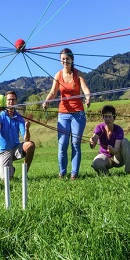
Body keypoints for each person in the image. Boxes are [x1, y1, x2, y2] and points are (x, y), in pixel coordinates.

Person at [42, 48, 91, 179]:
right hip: (63, 114)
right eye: (62, 59)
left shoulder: (78, 74)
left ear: (72, 60)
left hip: (78, 114)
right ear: (60, 60)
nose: (65, 61)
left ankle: (74, 173)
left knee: (75, 143)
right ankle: (62, 172)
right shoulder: (58, 75)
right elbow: (53, 92)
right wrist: (47, 102)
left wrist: (88, 98)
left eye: (67, 59)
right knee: (62, 144)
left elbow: (85, 89)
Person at [0, 91, 35, 180]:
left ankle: (24, 174)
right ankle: (11, 169)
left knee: (30, 145)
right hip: (4, 151)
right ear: (5, 101)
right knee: (7, 180)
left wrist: (27, 128)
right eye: (9, 100)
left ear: (16, 102)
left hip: (16, 149)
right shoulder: (0, 117)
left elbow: (26, 139)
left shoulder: (19, 117)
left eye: (13, 100)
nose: (11, 102)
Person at [89, 105, 130, 175]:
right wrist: (92, 142)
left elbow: (116, 150)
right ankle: (106, 174)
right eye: (105, 117)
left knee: (125, 141)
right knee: (96, 163)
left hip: (117, 158)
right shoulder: (99, 128)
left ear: (114, 117)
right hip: (105, 157)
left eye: (110, 116)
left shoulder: (118, 130)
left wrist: (112, 150)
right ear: (103, 117)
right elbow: (93, 145)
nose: (108, 119)